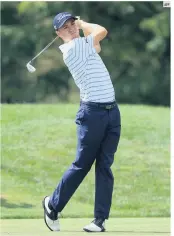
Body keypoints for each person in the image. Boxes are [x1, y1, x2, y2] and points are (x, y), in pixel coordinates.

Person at [42, 12, 121, 233]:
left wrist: (80, 27)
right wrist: (83, 22)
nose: (71, 28)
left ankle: (99, 221)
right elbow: (102, 31)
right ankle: (52, 205)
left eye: (72, 24)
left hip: (112, 111)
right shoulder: (73, 49)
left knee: (105, 166)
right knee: (82, 165)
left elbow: (98, 46)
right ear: (58, 34)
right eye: (65, 27)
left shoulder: (86, 46)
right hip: (92, 114)